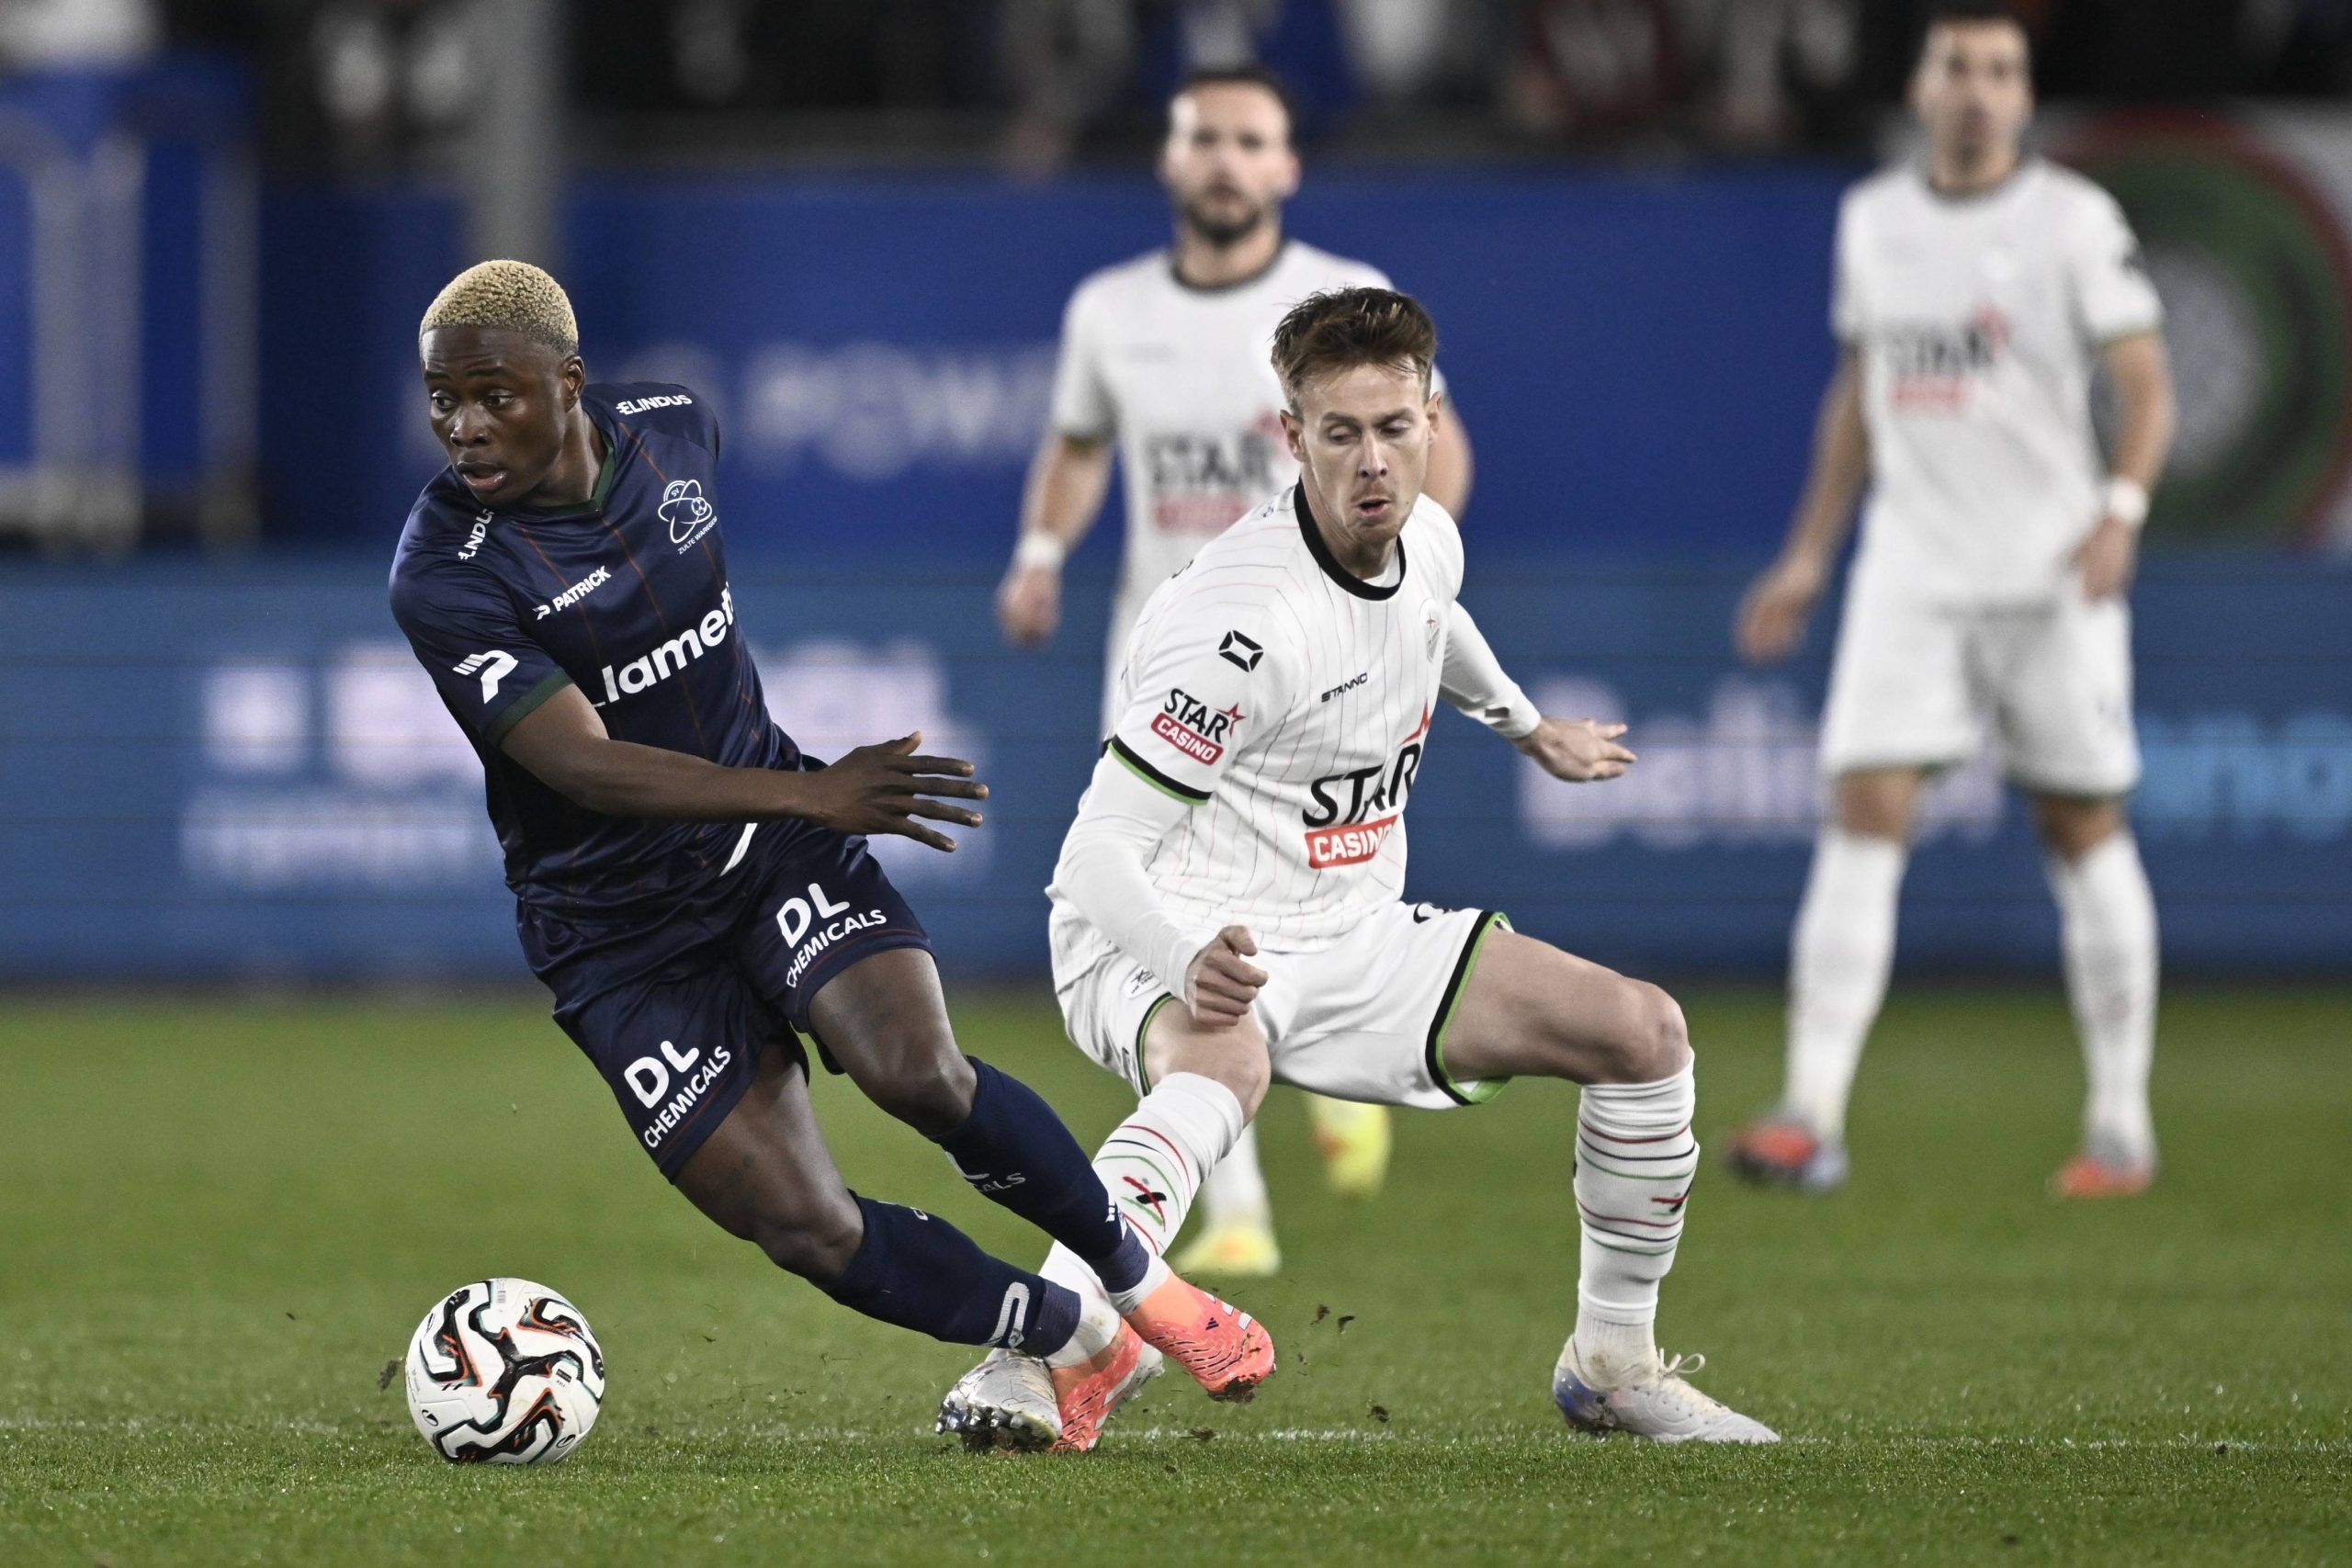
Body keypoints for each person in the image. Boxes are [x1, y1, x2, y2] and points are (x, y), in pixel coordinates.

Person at [389, 260, 1275, 1450]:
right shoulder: (446, 572)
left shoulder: (673, 430)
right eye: (444, 400)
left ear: (571, 383)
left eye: (494, 393)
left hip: (772, 851)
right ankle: (1075, 1336)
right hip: (618, 936)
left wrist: (795, 805)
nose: (464, 426)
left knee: (922, 1071)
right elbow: (585, 766)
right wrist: (816, 787)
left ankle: (1148, 1289)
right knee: (809, 1224)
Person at [942, 286, 1778, 1447]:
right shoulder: (1241, 629)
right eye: (1339, 433)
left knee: (1643, 1035)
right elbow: (1089, 861)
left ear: (1433, 418)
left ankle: (1612, 1362)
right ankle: (1044, 1351)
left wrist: (1525, 725)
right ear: (1291, 438)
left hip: (1350, 927)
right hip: (1168, 921)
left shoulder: (1427, 534)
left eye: (1394, 427)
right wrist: (1186, 957)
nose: (1372, 462)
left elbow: (1435, 615)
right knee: (1218, 1067)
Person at [997, 64, 1476, 1277]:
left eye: (1249, 139)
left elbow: (1437, 452)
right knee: (1177, 904)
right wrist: (1041, 550)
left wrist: (1399, 586)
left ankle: (1333, 1062)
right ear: (1172, 161)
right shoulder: (1108, 310)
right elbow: (1078, 444)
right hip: (1172, 656)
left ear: (1285, 164)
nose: (1224, 159)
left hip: (1312, 658)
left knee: (1305, 880)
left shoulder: (1337, 307)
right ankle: (1240, 1205)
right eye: (1203, 137)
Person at [1726, 0, 2177, 1197]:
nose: (1976, 88)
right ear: (1923, 88)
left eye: (1998, 70)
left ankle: (2121, 1124)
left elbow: (2147, 386)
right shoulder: (1873, 220)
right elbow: (1860, 391)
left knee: (2080, 823)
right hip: (1912, 571)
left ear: (2024, 97)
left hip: (2048, 570)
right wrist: (1809, 554)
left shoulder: (2075, 221)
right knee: (1862, 807)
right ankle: (1810, 1109)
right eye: (1957, 67)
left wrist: (2119, 512)